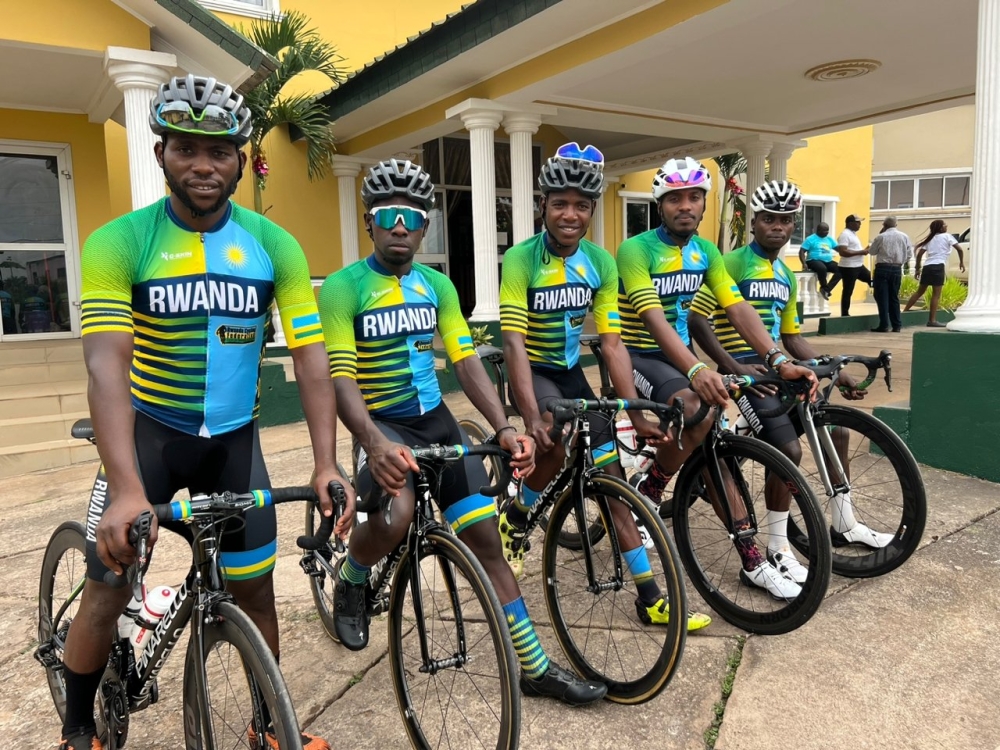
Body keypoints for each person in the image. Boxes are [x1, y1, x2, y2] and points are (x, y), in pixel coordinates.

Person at [62, 74, 352, 750]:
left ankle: (269, 724)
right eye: (186, 148)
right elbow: (105, 366)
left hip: (234, 442)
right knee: (107, 589)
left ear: (243, 161)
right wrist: (126, 487)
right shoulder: (119, 241)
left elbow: (311, 360)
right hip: (148, 442)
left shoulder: (273, 245)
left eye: (218, 151)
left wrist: (325, 461)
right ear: (161, 152)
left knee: (255, 593)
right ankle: (78, 729)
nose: (202, 166)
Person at [320, 158, 608, 706]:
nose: (400, 225)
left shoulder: (438, 285)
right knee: (398, 514)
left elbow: (465, 359)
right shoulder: (342, 288)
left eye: (411, 215)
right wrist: (374, 442)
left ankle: (535, 668)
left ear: (425, 225)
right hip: (379, 420)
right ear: (370, 222)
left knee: (486, 543)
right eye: (388, 215)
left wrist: (502, 426)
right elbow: (340, 377)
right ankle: (354, 578)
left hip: (434, 419)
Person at [494, 143, 710, 631]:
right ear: (542, 207)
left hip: (569, 368)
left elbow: (612, 345)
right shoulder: (520, 259)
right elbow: (513, 341)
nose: (570, 215)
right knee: (552, 437)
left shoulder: (601, 263)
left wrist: (631, 414)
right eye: (559, 204)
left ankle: (651, 597)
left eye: (581, 206)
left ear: (592, 210)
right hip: (532, 369)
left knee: (610, 478)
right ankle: (518, 513)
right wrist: (531, 417)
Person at [615, 163, 818, 601]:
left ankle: (748, 555)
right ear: (660, 205)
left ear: (705, 203)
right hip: (637, 353)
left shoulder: (706, 251)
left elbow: (737, 307)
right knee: (698, 408)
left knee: (713, 438)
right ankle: (650, 489)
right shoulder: (636, 250)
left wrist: (778, 360)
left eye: (693, 197)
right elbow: (652, 319)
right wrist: (697, 370)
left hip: (675, 357)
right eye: (674, 198)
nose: (685, 206)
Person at [689, 181, 890, 600]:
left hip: (777, 368)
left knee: (835, 430)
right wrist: (731, 365)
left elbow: (791, 337)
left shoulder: (785, 275)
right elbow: (697, 319)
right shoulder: (731, 263)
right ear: (755, 224)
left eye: (785, 221)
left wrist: (835, 368)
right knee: (789, 452)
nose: (777, 227)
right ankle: (778, 548)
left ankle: (843, 522)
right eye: (769, 219)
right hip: (744, 373)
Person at [903, 219, 964, 327]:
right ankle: (932, 321)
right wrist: (961, 262)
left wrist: (917, 268)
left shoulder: (930, 239)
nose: (947, 226)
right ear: (941, 228)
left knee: (919, 292)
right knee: (936, 295)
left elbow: (920, 254)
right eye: (945, 225)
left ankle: (904, 313)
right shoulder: (947, 236)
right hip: (938, 267)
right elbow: (960, 249)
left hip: (927, 267)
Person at [869, 216, 913, 333]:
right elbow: (909, 254)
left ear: (884, 225)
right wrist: (900, 261)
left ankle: (884, 325)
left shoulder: (881, 236)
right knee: (894, 297)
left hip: (882, 268)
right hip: (897, 268)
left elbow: (872, 251)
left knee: (882, 297)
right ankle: (897, 325)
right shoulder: (904, 236)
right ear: (896, 225)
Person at [835, 214, 872, 316]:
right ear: (850, 223)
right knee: (848, 290)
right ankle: (845, 314)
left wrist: (865, 250)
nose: (860, 225)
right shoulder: (845, 235)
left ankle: (881, 304)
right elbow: (843, 252)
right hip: (848, 267)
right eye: (858, 222)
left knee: (872, 280)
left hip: (858, 266)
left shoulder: (853, 234)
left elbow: (855, 250)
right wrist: (862, 252)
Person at [798, 222, 841, 299]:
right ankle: (823, 286)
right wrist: (804, 263)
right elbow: (802, 251)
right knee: (822, 268)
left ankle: (826, 289)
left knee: (842, 269)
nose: (827, 232)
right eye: (824, 230)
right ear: (818, 230)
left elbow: (838, 249)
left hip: (828, 261)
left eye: (827, 230)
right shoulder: (810, 239)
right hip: (813, 260)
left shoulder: (829, 239)